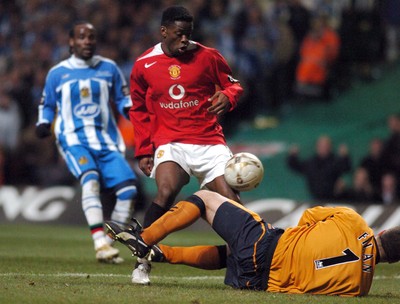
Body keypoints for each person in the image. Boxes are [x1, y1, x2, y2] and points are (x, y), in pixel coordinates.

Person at [129, 6, 243, 283]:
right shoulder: (143, 65)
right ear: (164, 32)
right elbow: (139, 110)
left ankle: (244, 262)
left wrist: (228, 97)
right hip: (172, 142)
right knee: (166, 190)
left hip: (209, 141)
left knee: (231, 201)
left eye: (188, 35)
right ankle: (141, 261)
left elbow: (234, 85)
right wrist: (144, 150)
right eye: (179, 34)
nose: (185, 40)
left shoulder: (208, 56)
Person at [106, 189, 400, 296]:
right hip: (257, 282)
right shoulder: (361, 288)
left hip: (267, 246)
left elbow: (308, 217)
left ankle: (143, 239)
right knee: (230, 255)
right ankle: (161, 254)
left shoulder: (353, 221)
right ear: (392, 260)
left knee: (205, 197)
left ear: (385, 232)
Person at [35, 21, 139, 264]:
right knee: (90, 179)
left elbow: (123, 99)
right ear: (71, 41)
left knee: (129, 191)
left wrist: (134, 114)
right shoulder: (58, 73)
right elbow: (47, 104)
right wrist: (43, 122)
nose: (87, 41)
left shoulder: (109, 68)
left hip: (107, 141)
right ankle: (99, 242)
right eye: (81, 37)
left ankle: (108, 245)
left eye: (91, 37)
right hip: (73, 139)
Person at [287, 135, 351, 201]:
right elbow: (296, 166)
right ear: (316, 147)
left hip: (333, 200)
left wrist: (345, 157)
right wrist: (292, 156)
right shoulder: (311, 162)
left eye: (325, 146)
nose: (323, 148)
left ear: (330, 147)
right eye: (321, 146)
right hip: (315, 199)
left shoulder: (336, 162)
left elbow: (346, 169)